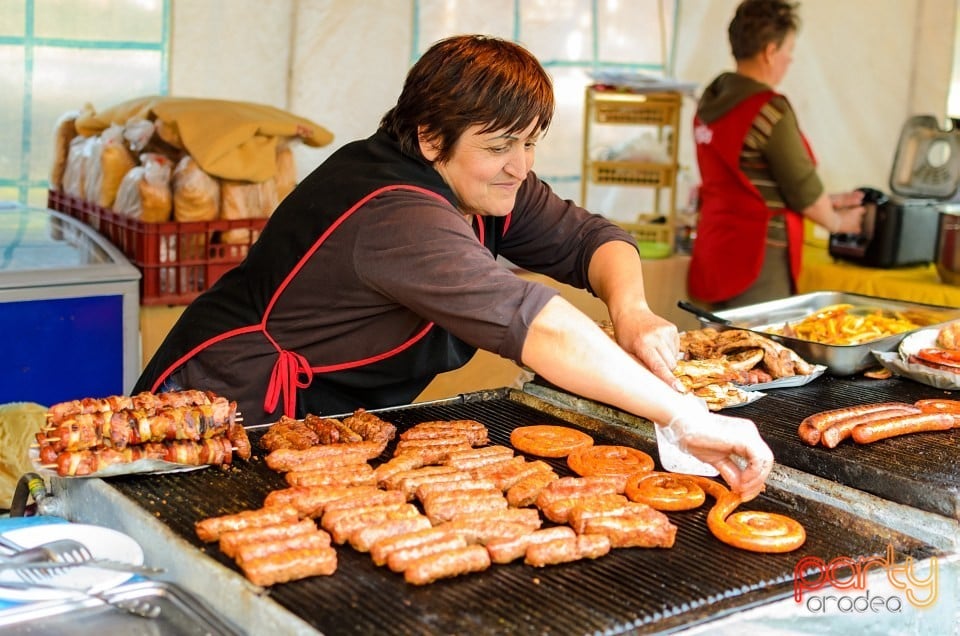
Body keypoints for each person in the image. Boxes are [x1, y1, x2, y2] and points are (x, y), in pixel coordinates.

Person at [136, 34, 773, 499]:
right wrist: (687, 418)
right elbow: (537, 325)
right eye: (499, 147)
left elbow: (593, 239)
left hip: (318, 426)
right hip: (223, 413)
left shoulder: (483, 181)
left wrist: (630, 310)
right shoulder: (397, 214)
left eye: (530, 143)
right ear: (431, 137)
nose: (520, 168)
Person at [688, 0, 866, 309]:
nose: (790, 59)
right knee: (756, 349)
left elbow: (752, 178)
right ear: (770, 51)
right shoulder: (768, 110)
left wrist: (831, 199)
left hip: (714, 247)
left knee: (713, 348)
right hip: (757, 260)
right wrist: (838, 222)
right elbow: (803, 190)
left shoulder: (711, 102)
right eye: (789, 49)